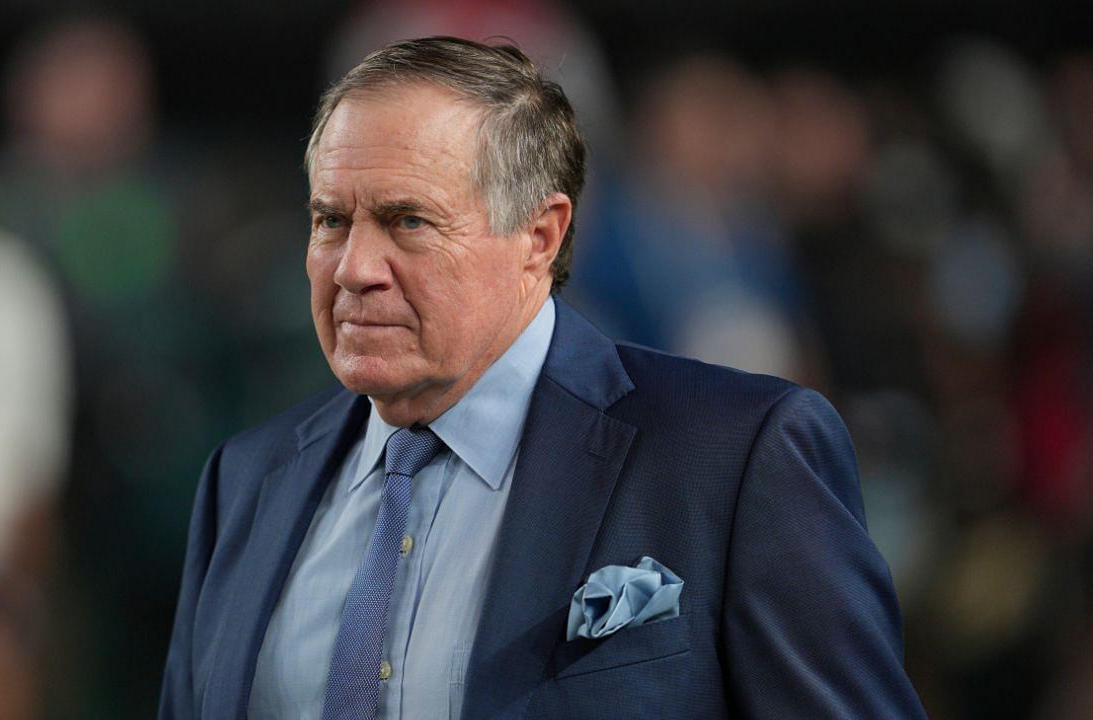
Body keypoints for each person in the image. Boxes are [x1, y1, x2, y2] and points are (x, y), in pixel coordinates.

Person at [159, 36, 926, 719]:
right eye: (330, 220)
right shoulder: (246, 481)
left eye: (408, 222)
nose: (355, 269)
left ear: (539, 234)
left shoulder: (733, 457)